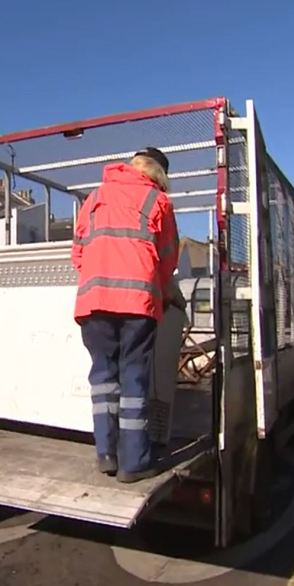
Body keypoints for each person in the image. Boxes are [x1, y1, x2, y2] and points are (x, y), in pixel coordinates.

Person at [71, 146, 179, 484]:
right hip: (137, 303)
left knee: (103, 377)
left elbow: (78, 253)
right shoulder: (158, 201)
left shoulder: (94, 198)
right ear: (159, 174)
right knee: (134, 378)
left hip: (93, 301)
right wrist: (159, 294)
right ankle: (134, 462)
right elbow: (167, 259)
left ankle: (106, 453)